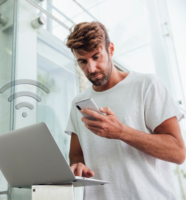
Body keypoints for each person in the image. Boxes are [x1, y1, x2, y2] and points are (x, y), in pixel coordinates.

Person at [65, 21, 186, 200]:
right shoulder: (79, 102)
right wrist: (77, 166)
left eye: (96, 57)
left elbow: (178, 152)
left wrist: (121, 132)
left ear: (110, 50)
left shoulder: (146, 85)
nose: (90, 69)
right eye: (82, 61)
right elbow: (76, 155)